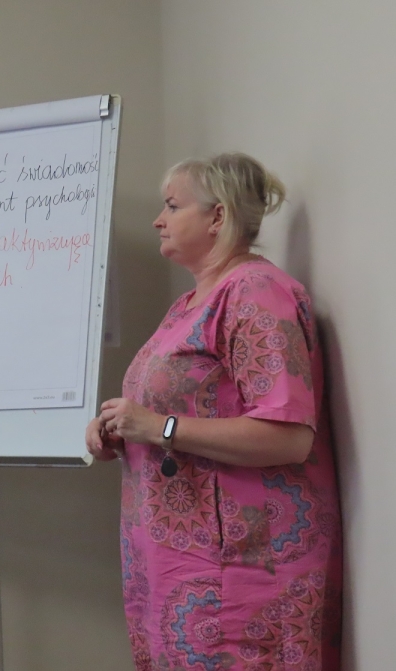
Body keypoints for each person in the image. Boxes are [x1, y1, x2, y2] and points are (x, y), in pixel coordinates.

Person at [86, 153, 342, 670]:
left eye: (172, 205)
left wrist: (158, 427)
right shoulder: (188, 305)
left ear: (218, 216)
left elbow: (289, 436)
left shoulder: (258, 293)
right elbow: (171, 413)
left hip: (239, 571)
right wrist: (119, 429)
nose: (158, 220)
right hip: (177, 566)